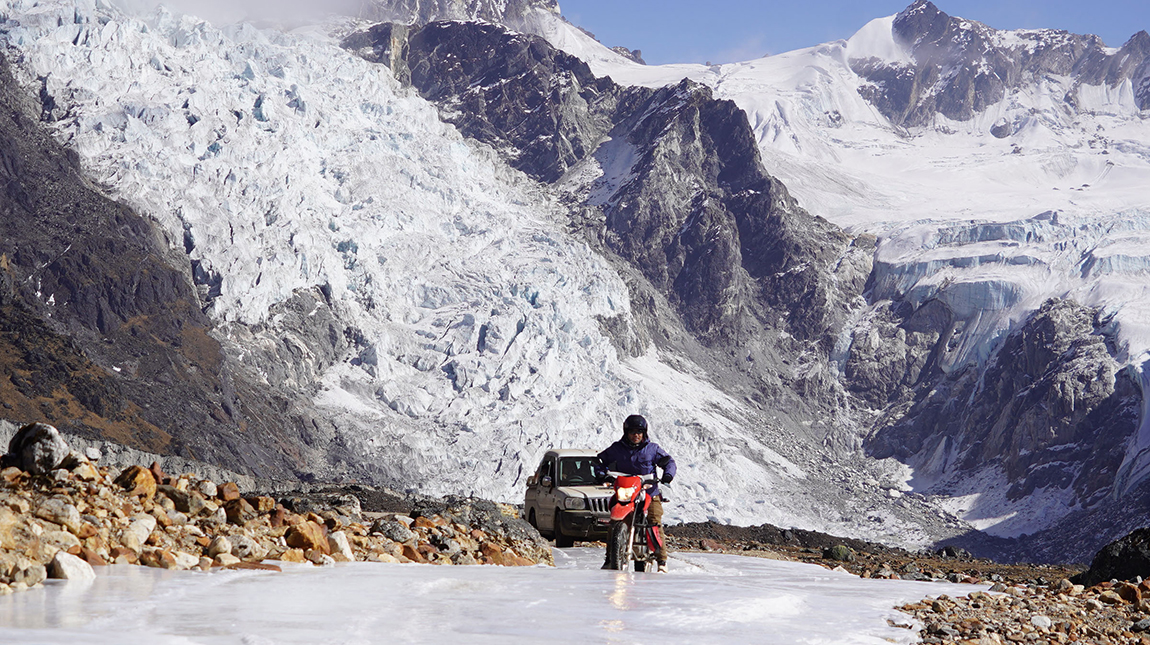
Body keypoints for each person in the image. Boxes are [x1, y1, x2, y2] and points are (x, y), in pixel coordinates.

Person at [596, 414, 676, 572]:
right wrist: (602, 474)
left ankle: (662, 560)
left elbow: (668, 461)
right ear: (626, 432)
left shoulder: (652, 449)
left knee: (654, 520)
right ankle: (609, 558)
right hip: (625, 492)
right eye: (632, 431)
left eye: (639, 431)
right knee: (614, 520)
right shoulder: (617, 449)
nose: (636, 435)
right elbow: (599, 461)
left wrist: (668, 475)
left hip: (648, 492)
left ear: (644, 433)